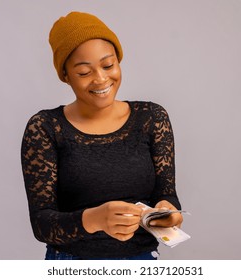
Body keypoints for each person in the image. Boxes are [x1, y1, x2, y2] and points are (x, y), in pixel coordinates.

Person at [21, 11, 183, 260]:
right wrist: (94, 219)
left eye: (108, 65)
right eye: (84, 72)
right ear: (65, 76)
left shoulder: (152, 118)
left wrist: (168, 213)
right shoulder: (45, 128)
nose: (101, 79)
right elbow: (42, 224)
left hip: (143, 261)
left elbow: (167, 195)